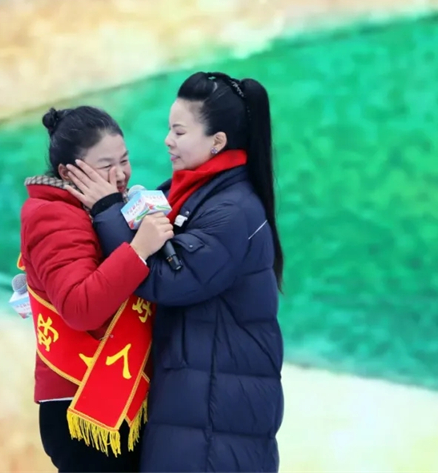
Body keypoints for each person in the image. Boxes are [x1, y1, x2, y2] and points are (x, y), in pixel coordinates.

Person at [64, 72, 285, 472]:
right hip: (196, 397)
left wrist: (107, 210)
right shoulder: (188, 192)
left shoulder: (232, 211)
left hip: (215, 413)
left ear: (217, 142)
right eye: (169, 129)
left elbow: (169, 279)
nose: (167, 140)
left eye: (179, 132)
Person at [18, 105, 173, 473]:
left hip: (121, 398)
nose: (120, 174)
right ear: (67, 172)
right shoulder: (53, 215)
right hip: (82, 405)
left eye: (124, 160)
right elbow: (80, 306)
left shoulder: (108, 207)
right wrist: (138, 250)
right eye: (105, 166)